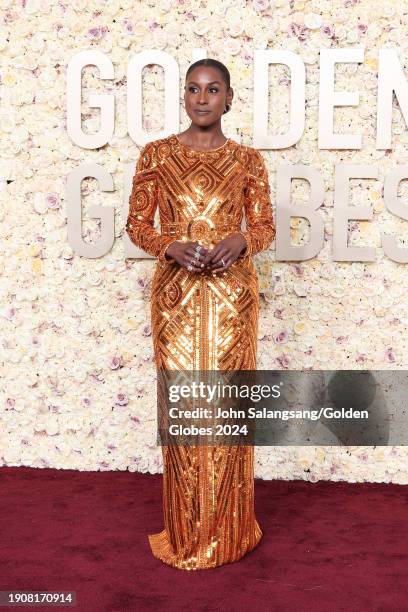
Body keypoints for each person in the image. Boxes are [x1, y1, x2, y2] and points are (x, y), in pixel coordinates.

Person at [126, 58, 275, 570]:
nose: (202, 97)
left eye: (214, 89)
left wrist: (243, 239)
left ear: (229, 98)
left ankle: (231, 531)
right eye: (193, 88)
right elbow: (137, 225)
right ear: (184, 97)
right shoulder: (157, 155)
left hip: (234, 298)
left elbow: (266, 226)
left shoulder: (249, 160)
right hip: (177, 299)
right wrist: (169, 244)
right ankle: (188, 532)